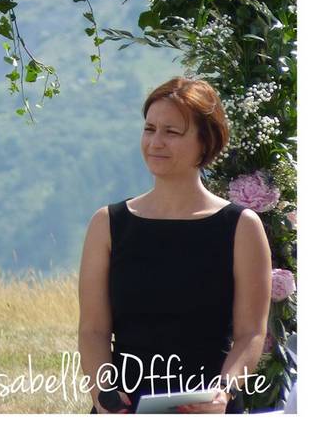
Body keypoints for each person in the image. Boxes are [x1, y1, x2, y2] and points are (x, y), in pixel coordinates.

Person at [77, 77, 272, 414]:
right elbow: (93, 329)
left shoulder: (242, 227)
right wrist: (102, 392)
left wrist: (222, 393)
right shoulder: (107, 224)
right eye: (150, 129)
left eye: (172, 132)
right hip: (124, 408)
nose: (155, 142)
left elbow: (251, 333)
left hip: (208, 407)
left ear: (205, 142)